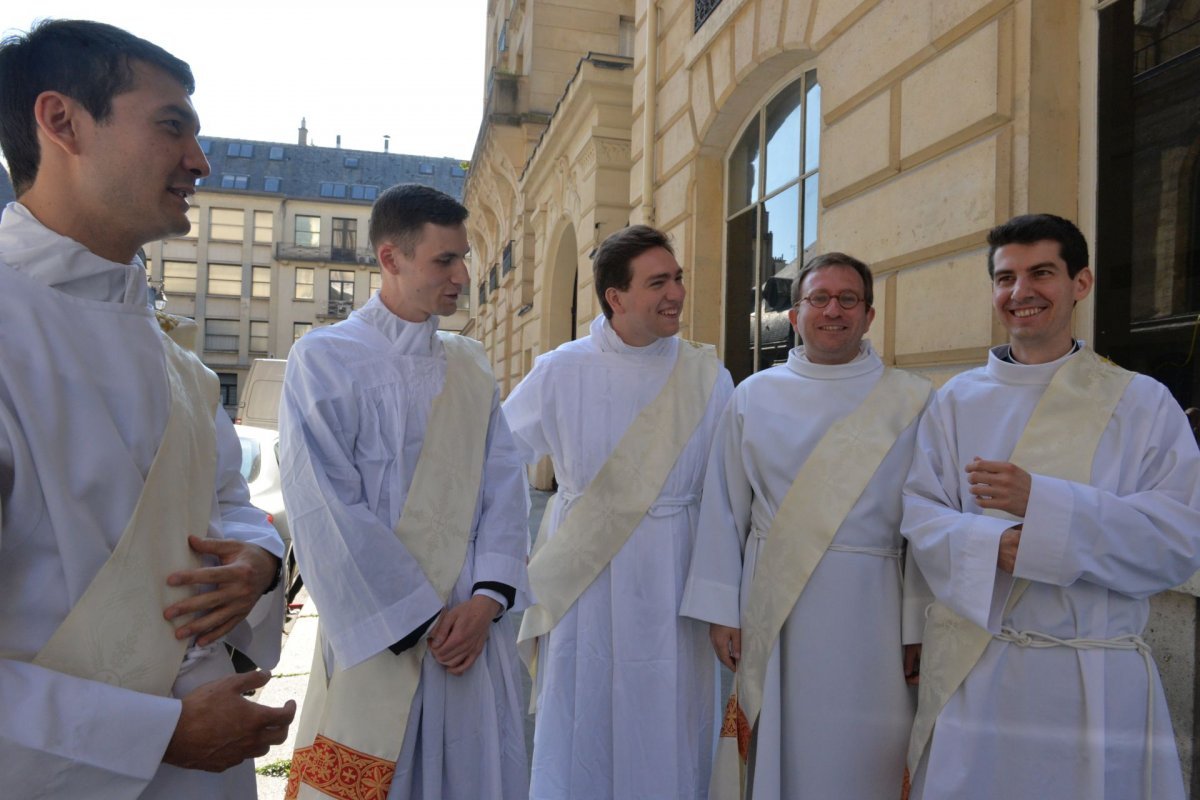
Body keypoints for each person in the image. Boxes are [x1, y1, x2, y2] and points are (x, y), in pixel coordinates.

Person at [0, 19, 294, 799]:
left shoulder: (185, 368)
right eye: (172, 127)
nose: (200, 161)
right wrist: (157, 734)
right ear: (61, 121)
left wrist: (259, 563)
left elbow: (230, 504)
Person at [902, 213, 1200, 800]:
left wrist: (1043, 503)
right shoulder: (956, 401)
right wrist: (992, 546)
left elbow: (1177, 540)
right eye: (1005, 278)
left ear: (1080, 284)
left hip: (1094, 676)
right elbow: (921, 511)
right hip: (981, 668)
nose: (1021, 293)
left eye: (1041, 273)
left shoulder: (1141, 403)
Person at [279, 183, 530, 800]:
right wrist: (419, 618)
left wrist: (486, 602)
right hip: (385, 629)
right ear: (390, 258)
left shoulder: (469, 364)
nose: (463, 276)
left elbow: (505, 484)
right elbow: (325, 507)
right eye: (445, 260)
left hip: (471, 630)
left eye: (464, 258)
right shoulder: (325, 359)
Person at [681, 252, 931, 799]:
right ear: (795, 315)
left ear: (869, 314)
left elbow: (927, 523)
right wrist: (722, 612)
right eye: (818, 298)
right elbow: (724, 508)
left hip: (875, 610)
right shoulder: (754, 395)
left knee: (869, 753)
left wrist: (918, 624)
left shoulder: (912, 399)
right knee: (783, 745)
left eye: (848, 299)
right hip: (777, 604)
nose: (832, 311)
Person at [503, 224, 734, 800]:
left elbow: (729, 494)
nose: (677, 292)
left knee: (670, 709)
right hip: (587, 574)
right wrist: (508, 550)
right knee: (586, 706)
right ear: (616, 297)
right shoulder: (561, 369)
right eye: (658, 282)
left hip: (674, 569)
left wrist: (724, 598)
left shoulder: (709, 375)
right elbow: (496, 461)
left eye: (677, 278)